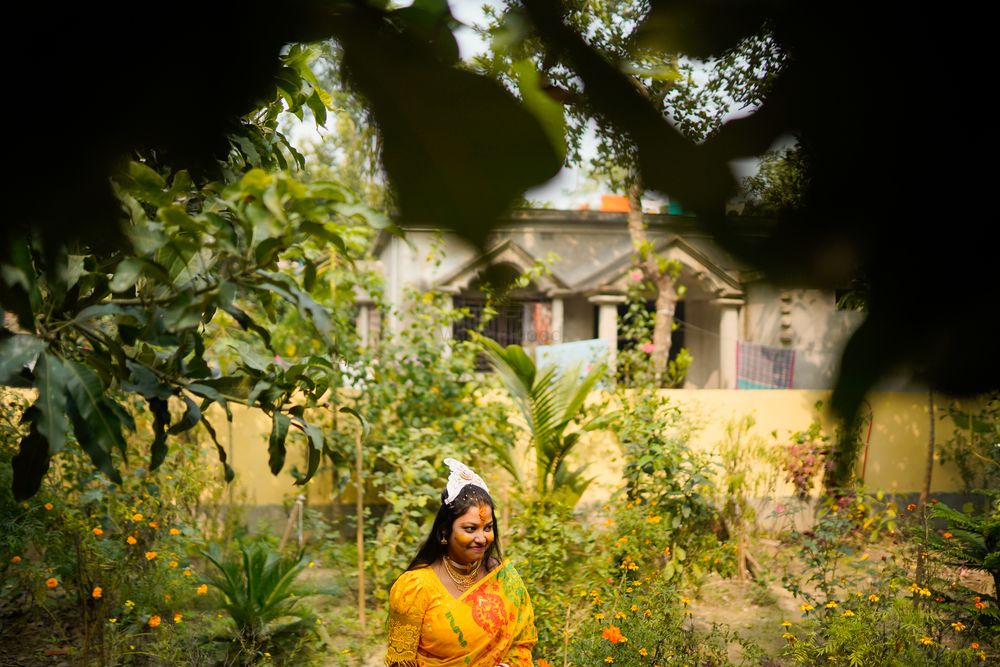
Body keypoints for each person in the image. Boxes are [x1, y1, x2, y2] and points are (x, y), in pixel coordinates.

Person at [384, 458, 537, 667]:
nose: (482, 538)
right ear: (445, 531)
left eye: (488, 527)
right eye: (470, 529)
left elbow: (522, 643)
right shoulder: (415, 587)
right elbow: (400, 663)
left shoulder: (502, 576)